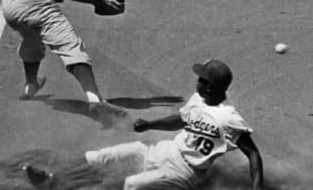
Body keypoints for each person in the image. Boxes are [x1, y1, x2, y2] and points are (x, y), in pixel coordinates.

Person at [24, 59, 264, 190]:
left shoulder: (229, 118)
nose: (197, 82)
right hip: (161, 151)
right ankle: (52, 179)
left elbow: (252, 153)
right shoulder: (198, 100)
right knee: (100, 156)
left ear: (210, 86)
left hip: (183, 172)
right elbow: (181, 120)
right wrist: (150, 125)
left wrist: (257, 188)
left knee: (132, 185)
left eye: (201, 79)